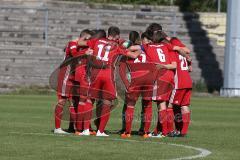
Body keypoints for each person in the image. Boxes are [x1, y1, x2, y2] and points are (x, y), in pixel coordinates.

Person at [78, 26, 142, 136]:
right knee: (107, 102)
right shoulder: (117, 46)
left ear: (108, 34)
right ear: (117, 36)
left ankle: (86, 130)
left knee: (89, 100)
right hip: (107, 73)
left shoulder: (97, 41)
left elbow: (80, 43)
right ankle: (100, 131)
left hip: (95, 72)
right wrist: (141, 48)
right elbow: (134, 55)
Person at [54, 29, 93, 134]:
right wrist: (85, 52)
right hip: (65, 75)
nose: (89, 42)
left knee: (74, 102)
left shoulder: (83, 46)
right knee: (62, 101)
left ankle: (74, 128)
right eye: (88, 39)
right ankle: (57, 128)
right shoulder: (72, 43)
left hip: (74, 76)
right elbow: (74, 54)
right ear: (83, 37)